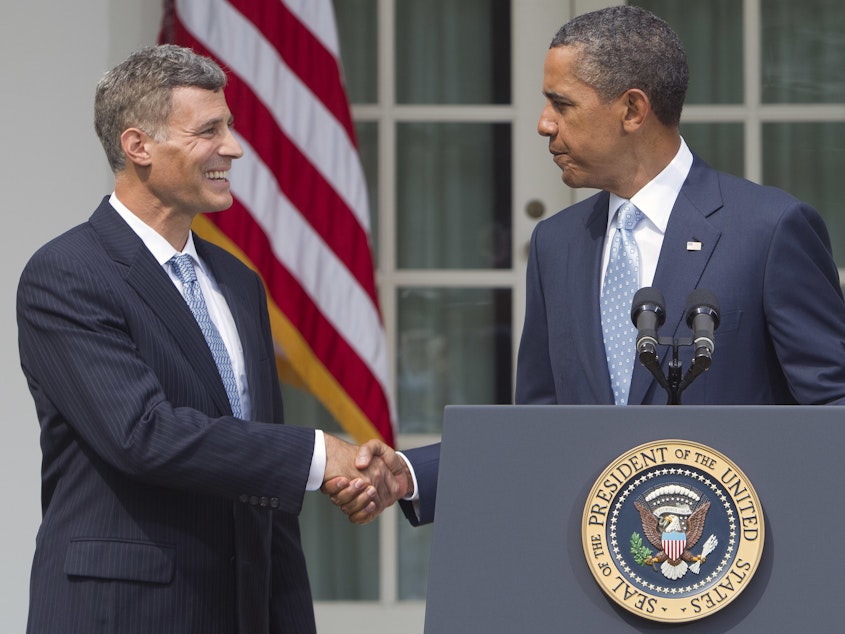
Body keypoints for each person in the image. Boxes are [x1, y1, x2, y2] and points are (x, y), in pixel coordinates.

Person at [327, 5, 845, 526]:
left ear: (633, 110)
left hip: (735, 573)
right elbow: (540, 428)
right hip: (591, 574)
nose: (542, 123)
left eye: (562, 104)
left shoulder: (769, 229)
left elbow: (833, 410)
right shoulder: (557, 244)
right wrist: (410, 475)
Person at [17, 44, 409, 633]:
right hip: (123, 614)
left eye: (229, 126)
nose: (234, 147)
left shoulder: (238, 282)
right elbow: (141, 434)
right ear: (138, 146)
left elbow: (260, 463)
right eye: (209, 130)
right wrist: (320, 454)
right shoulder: (68, 272)